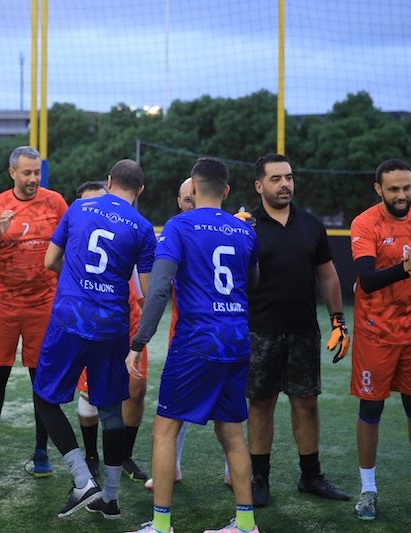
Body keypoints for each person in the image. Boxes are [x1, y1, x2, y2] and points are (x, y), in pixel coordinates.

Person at [126, 156, 261, 533]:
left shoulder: (178, 226)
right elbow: (253, 283)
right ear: (227, 190)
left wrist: (138, 341)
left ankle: (161, 525)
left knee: (164, 429)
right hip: (236, 340)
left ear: (195, 188)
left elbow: (158, 291)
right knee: (232, 433)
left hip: (196, 342)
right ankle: (246, 523)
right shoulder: (244, 230)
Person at [33, 159, 157, 520]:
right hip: (112, 324)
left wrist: (76, 279)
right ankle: (111, 498)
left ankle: (83, 479)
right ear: (140, 190)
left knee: (44, 398)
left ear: (109, 181)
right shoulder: (143, 227)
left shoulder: (78, 207)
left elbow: (49, 260)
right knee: (110, 409)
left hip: (70, 317)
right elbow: (148, 290)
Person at [245, 153, 349, 506]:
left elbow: (328, 275)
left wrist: (338, 320)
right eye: (275, 179)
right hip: (259, 331)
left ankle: (311, 476)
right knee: (261, 404)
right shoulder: (246, 226)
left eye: (288, 177)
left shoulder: (311, 224)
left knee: (306, 403)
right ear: (259, 185)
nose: (285, 184)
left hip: (304, 330)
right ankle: (259, 479)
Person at [349, 159, 411, 521]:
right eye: (394, 189)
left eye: (407, 188)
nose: (402, 195)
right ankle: (368, 490)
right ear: (378, 189)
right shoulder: (364, 223)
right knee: (371, 409)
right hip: (375, 332)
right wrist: (406, 267)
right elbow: (367, 280)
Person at [0, 146, 68, 475]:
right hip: (5, 304)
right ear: (12, 172)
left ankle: (41, 451)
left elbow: (70, 248)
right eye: (26, 173)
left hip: (44, 304)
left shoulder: (55, 202)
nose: (33, 179)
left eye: (37, 172)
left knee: (41, 378)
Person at [72, 180, 149, 482]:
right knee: (89, 393)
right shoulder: (75, 233)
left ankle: (124, 456)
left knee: (136, 389)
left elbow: (141, 286)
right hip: (89, 319)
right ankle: (91, 456)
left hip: (126, 318)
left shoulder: (129, 228)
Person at [145, 177, 193, 491]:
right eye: (186, 199)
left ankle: (234, 472)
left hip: (219, 333)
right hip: (184, 333)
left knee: (228, 415)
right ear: (178, 201)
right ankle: (171, 466)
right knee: (176, 405)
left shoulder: (227, 228)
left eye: (195, 197)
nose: (191, 203)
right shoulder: (175, 231)